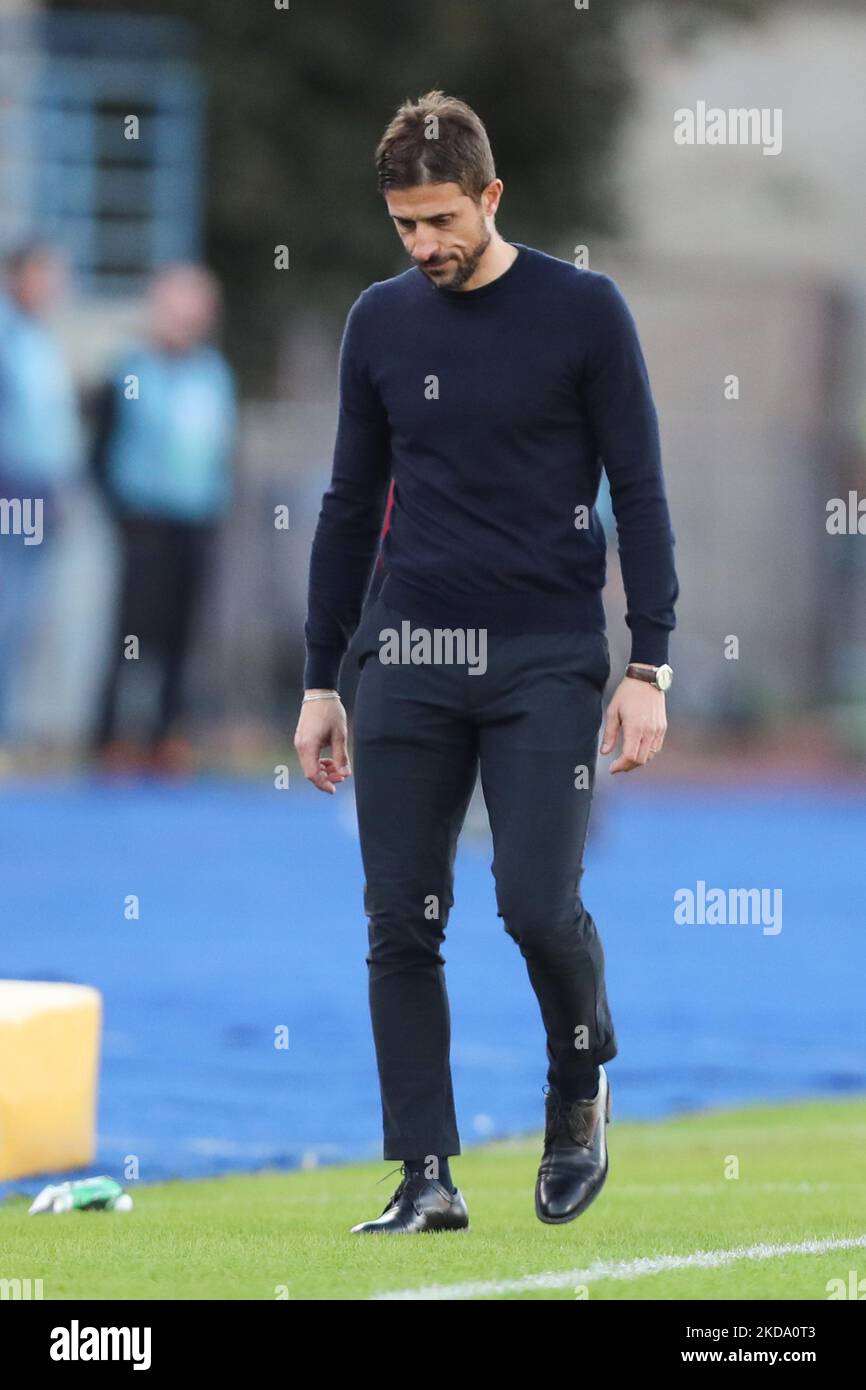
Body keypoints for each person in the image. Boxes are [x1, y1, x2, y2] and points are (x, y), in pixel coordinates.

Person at [295, 92, 678, 1234]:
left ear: (491, 195)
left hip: (546, 657)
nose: (424, 246)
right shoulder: (378, 322)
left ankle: (576, 1085)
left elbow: (643, 491)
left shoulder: (583, 311)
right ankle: (425, 1175)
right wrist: (323, 677)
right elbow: (348, 503)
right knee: (399, 922)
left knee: (533, 903)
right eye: (405, 226)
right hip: (404, 649)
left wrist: (648, 662)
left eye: (442, 220)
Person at [90, 263, 236, 773]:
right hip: (143, 521)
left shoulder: (213, 374)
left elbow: (221, 450)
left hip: (195, 521)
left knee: (182, 633)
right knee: (131, 633)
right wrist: (120, 512)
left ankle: (167, 734)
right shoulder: (129, 370)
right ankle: (110, 736)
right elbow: (101, 449)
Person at [0, 241, 82, 744]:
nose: (55, 287)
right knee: (11, 606)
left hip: (42, 491)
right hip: (14, 488)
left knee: (25, 612)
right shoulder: (9, 337)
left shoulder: (38, 338)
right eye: (45, 275)